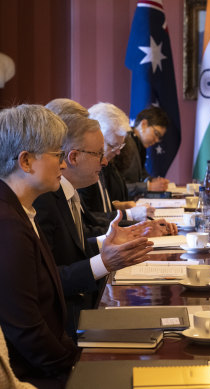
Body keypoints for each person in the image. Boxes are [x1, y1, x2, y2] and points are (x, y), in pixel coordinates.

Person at [33, 113, 160, 339]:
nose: (105, 161)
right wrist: (104, 261)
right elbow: (46, 279)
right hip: (66, 328)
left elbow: (76, 248)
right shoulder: (44, 200)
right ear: (73, 157)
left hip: (89, 307)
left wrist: (108, 243)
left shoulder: (68, 192)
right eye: (99, 154)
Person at [0, 104, 79, 388]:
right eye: (57, 154)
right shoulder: (7, 225)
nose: (63, 164)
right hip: (32, 377)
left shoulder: (21, 210)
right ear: (25, 162)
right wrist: (74, 362)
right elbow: (26, 330)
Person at [79, 102, 154, 221]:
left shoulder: (106, 164)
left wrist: (119, 207)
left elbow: (101, 208)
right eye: (113, 146)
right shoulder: (81, 171)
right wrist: (128, 214)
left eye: (120, 146)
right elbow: (88, 222)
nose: (118, 152)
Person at [114, 106, 170, 199]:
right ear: (143, 124)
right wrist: (149, 187)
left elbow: (141, 175)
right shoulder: (125, 143)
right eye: (156, 134)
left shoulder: (138, 144)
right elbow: (117, 187)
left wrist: (153, 181)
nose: (156, 140)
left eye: (159, 138)